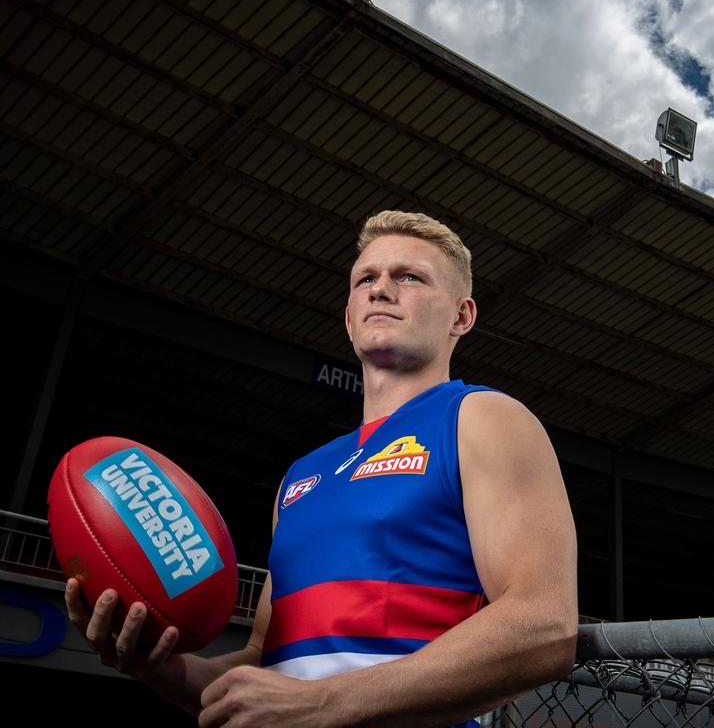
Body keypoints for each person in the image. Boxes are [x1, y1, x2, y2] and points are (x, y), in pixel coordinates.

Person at [66, 210, 578, 726]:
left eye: (409, 277)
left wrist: (325, 702)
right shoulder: (300, 477)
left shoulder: (482, 419)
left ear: (461, 317)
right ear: (349, 317)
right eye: (365, 279)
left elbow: (545, 625)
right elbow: (262, 662)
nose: (381, 290)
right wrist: (164, 672)